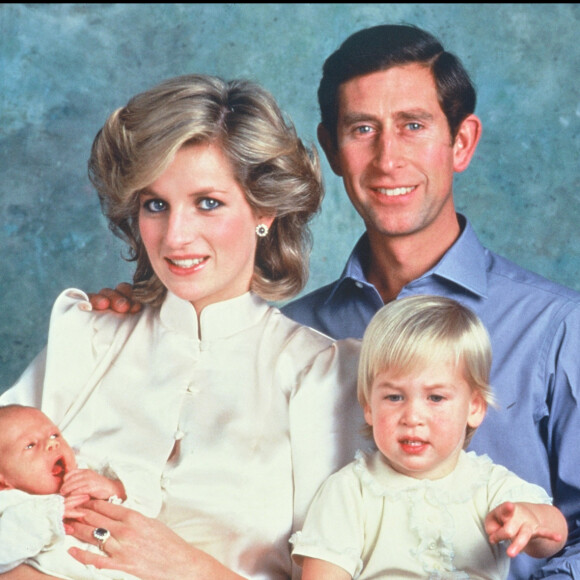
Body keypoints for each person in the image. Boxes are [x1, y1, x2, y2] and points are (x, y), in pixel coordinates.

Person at [79, 24, 580, 578]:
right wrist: (136, 314)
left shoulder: (557, 329)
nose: (388, 158)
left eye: (413, 126)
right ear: (332, 149)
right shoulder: (296, 336)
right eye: (362, 129)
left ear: (461, 142)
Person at [0, 74, 364, 580]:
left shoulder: (323, 376)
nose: (176, 236)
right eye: (156, 205)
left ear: (265, 209)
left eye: (207, 202)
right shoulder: (87, 336)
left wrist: (186, 567)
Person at [290, 296, 568, 579]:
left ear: (474, 407)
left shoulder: (488, 485)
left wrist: (531, 520)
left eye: (436, 398)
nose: (412, 417)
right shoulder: (351, 491)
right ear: (369, 408)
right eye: (394, 397)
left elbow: (554, 532)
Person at [0, 404, 140, 579]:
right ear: (3, 481)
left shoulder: (89, 473)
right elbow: (4, 551)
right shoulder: (10, 501)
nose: (52, 443)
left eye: (54, 434)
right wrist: (49, 518)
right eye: (30, 445)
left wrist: (115, 488)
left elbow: (150, 501)